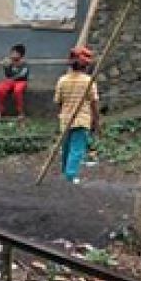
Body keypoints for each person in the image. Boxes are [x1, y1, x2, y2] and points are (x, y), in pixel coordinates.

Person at [54, 46, 100, 184]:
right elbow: (94, 103)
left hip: (65, 119)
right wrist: (96, 121)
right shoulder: (89, 81)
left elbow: (58, 101)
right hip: (82, 120)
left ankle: (65, 171)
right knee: (77, 148)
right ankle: (70, 175)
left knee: (66, 147)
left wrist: (63, 113)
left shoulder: (62, 80)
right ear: (85, 65)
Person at [0, 43, 29, 120]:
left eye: (15, 53)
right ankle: (1, 110)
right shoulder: (7, 61)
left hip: (21, 81)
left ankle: (20, 112)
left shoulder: (24, 63)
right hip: (9, 81)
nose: (12, 54)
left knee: (17, 91)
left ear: (20, 55)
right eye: (12, 52)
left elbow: (23, 74)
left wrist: (12, 73)